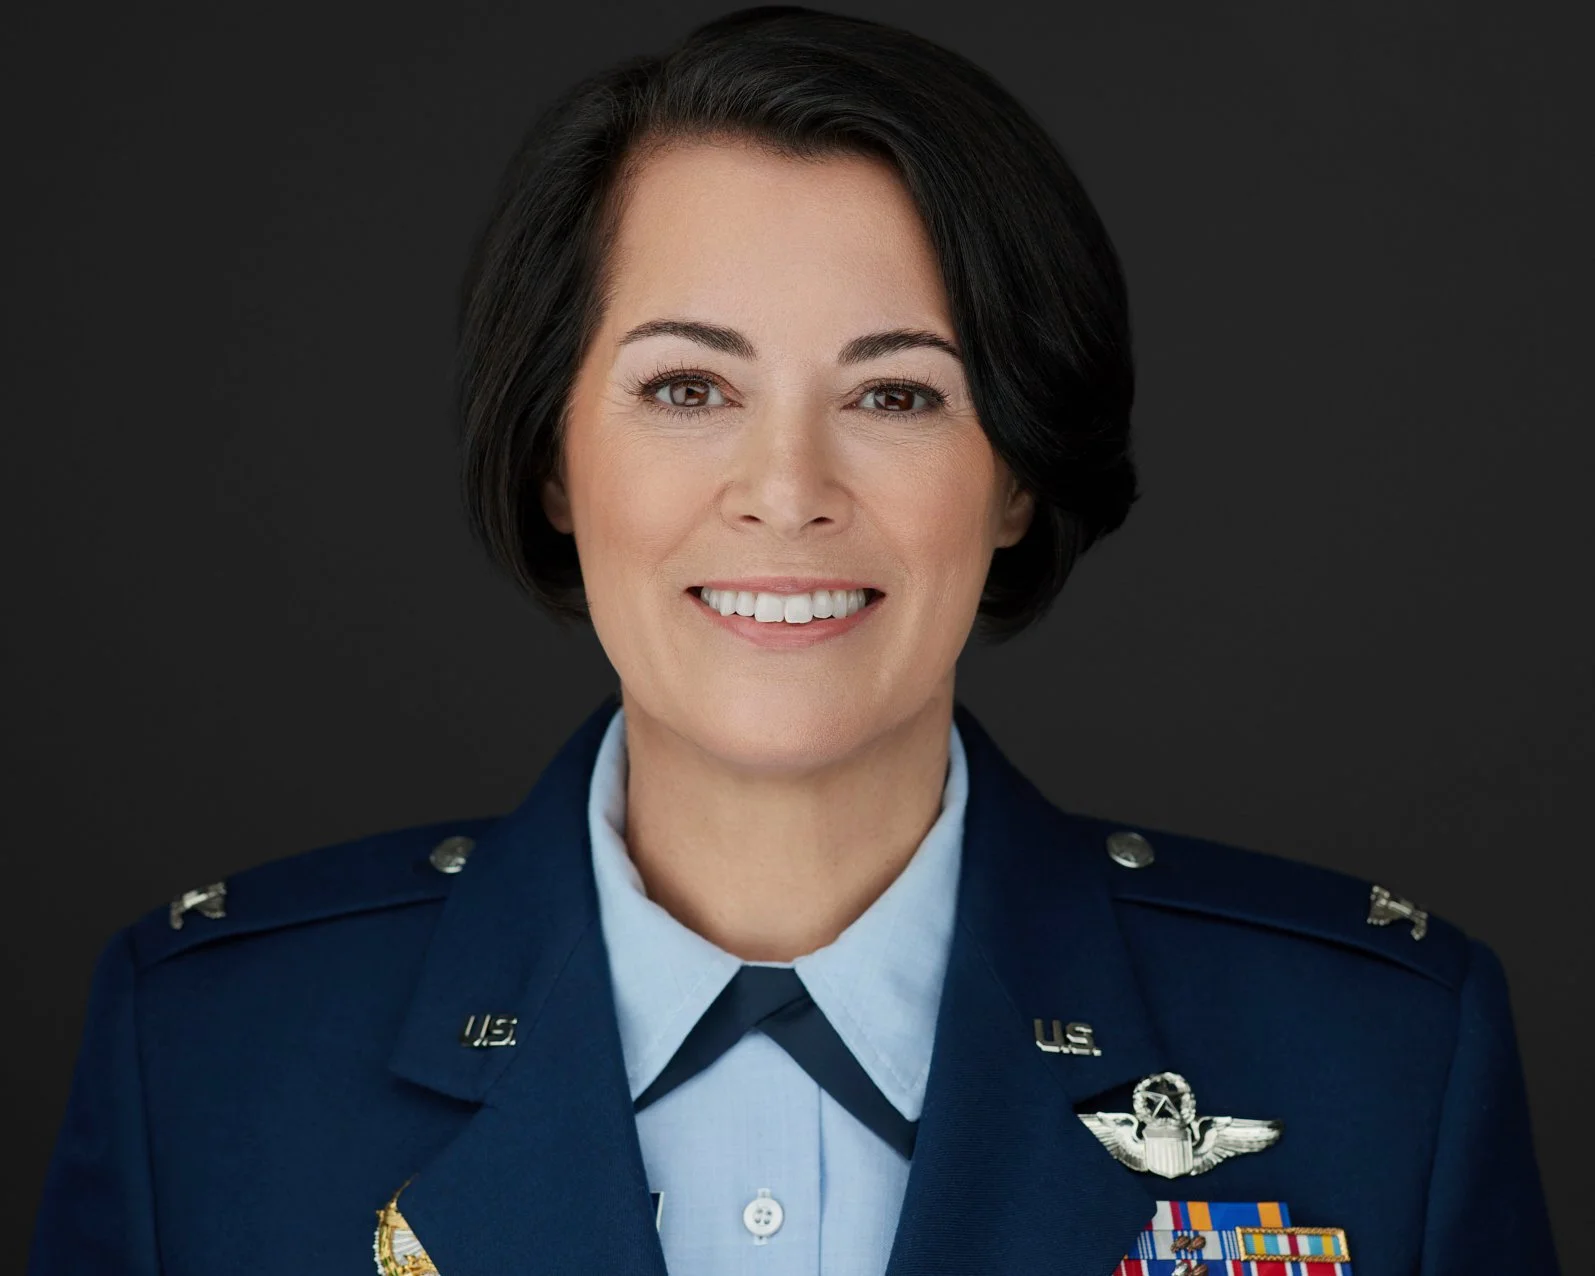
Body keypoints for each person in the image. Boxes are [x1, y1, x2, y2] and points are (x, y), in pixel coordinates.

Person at [29, 7, 1558, 1275]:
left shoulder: (1381, 1059)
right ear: (554, 457)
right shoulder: (207, 1056)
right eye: (688, 389)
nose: (785, 490)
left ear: (1016, 474)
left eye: (895, 394)